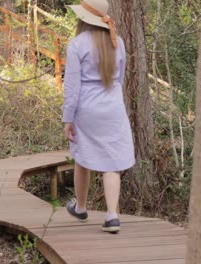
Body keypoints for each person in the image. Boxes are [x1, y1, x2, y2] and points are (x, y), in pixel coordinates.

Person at [62, 0, 135, 234]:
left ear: (83, 18)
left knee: (82, 156)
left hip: (87, 108)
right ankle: (112, 216)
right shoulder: (118, 42)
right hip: (113, 107)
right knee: (112, 161)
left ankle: (81, 207)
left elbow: (71, 87)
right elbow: (120, 79)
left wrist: (68, 118)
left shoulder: (76, 44)